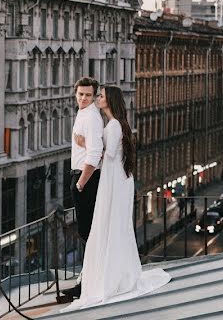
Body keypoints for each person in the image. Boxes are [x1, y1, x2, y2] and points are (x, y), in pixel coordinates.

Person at [64, 86, 171, 311]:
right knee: (116, 227)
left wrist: (84, 144)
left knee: (110, 225)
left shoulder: (113, 126)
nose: (97, 99)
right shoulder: (117, 124)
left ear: (109, 100)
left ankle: (109, 277)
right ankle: (115, 272)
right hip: (119, 180)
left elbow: (107, 154)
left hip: (113, 182)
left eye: (100, 96)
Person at [61, 77, 104, 300]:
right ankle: (85, 281)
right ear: (75, 94)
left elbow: (96, 154)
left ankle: (85, 284)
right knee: (86, 232)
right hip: (81, 177)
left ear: (95, 96)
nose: (83, 98)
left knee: (87, 233)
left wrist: (80, 183)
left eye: (88, 95)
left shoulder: (92, 117)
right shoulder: (84, 114)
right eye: (80, 94)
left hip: (85, 179)